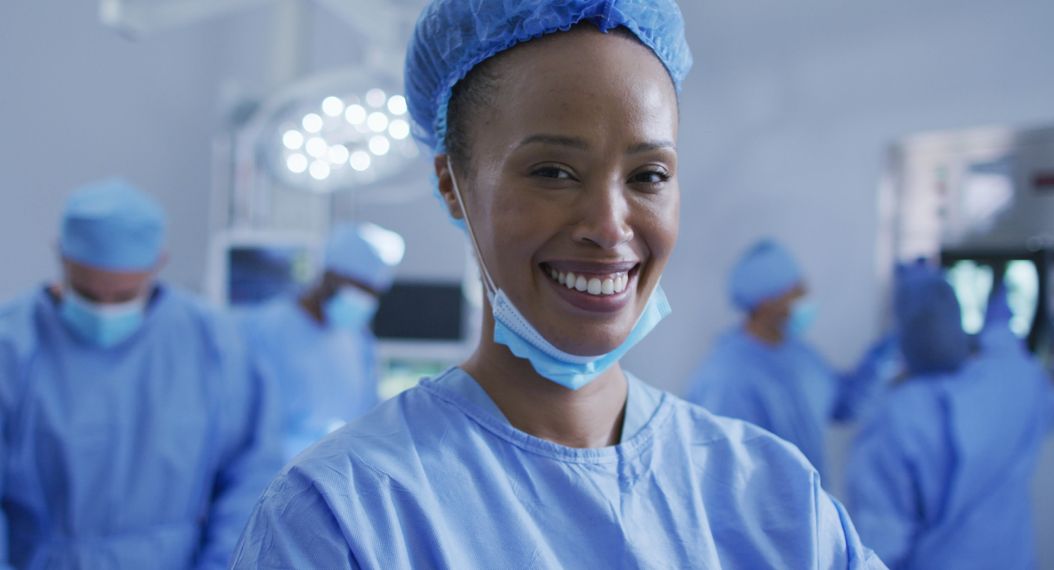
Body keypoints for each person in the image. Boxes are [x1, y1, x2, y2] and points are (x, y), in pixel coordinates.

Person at [230, 1, 884, 567]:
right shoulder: (345, 517)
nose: (608, 225)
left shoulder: (768, 491)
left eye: (649, 175)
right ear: (451, 186)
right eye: (552, 171)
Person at [0, 179, 280, 569]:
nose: (105, 309)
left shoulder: (215, 344)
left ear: (158, 263)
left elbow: (250, 473)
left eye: (123, 296)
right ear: (61, 255)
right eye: (88, 293)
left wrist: (223, 562)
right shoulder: (12, 344)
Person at [845, 262, 1054, 569]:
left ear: (903, 330)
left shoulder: (896, 416)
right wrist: (1002, 337)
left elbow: (881, 539)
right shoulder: (1016, 379)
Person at [684, 239, 896, 481]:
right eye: (795, 290)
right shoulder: (726, 375)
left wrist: (886, 354)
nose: (806, 296)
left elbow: (844, 404)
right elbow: (722, 469)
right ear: (766, 302)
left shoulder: (802, 356)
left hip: (809, 507)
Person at [239, 222, 404, 460]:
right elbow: (246, 421)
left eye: (373, 293)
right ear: (330, 276)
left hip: (333, 476)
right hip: (266, 478)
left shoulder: (358, 343)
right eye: (360, 288)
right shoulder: (264, 330)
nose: (366, 301)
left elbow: (368, 415)